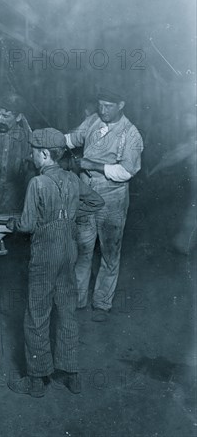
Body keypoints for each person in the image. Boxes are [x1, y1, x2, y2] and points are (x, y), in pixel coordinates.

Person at [6, 128, 104, 398]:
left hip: (46, 253)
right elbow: (96, 200)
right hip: (68, 250)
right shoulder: (72, 178)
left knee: (37, 314)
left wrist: (13, 223)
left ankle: (37, 380)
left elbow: (26, 225)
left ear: (45, 154)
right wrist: (68, 216)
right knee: (67, 311)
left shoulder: (37, 183)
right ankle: (71, 375)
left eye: (34, 151)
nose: (31, 155)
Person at [64, 87, 144, 322]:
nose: (103, 110)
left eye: (108, 106)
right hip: (85, 193)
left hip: (112, 198)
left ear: (121, 105)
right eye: (100, 104)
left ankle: (101, 304)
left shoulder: (131, 134)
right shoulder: (92, 120)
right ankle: (78, 299)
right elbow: (72, 139)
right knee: (82, 248)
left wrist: (90, 164)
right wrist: (52, 140)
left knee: (109, 252)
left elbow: (126, 171)